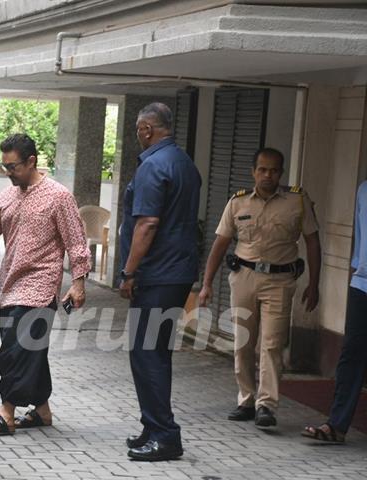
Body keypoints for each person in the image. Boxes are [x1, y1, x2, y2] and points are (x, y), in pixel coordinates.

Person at [0, 133, 91, 436]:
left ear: (32, 161)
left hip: (39, 286)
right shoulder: (7, 196)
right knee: (29, 352)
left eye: (13, 167)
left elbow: (76, 242)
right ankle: (42, 411)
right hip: (10, 286)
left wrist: (78, 283)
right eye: (4, 166)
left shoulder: (58, 197)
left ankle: (5, 414)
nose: (8, 172)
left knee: (14, 352)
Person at [199, 147, 321, 428]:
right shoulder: (237, 203)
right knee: (243, 340)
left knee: (272, 344)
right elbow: (219, 245)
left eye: (274, 170)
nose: (268, 175)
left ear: (281, 172)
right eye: (263, 169)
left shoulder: (298, 201)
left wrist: (314, 284)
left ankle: (266, 405)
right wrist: (206, 284)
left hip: (280, 281)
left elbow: (313, 243)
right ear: (253, 171)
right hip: (244, 277)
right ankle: (246, 400)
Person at [118, 102, 201, 461]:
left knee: (148, 354)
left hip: (157, 274)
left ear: (147, 130)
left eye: (139, 130)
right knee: (155, 353)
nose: (139, 136)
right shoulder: (184, 162)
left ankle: (165, 435)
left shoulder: (154, 164)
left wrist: (129, 272)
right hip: (176, 273)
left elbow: (147, 224)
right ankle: (153, 428)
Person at [303, 180, 367, 444]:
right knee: (351, 354)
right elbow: (360, 239)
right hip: (362, 285)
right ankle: (336, 426)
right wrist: (354, 274)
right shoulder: (364, 189)